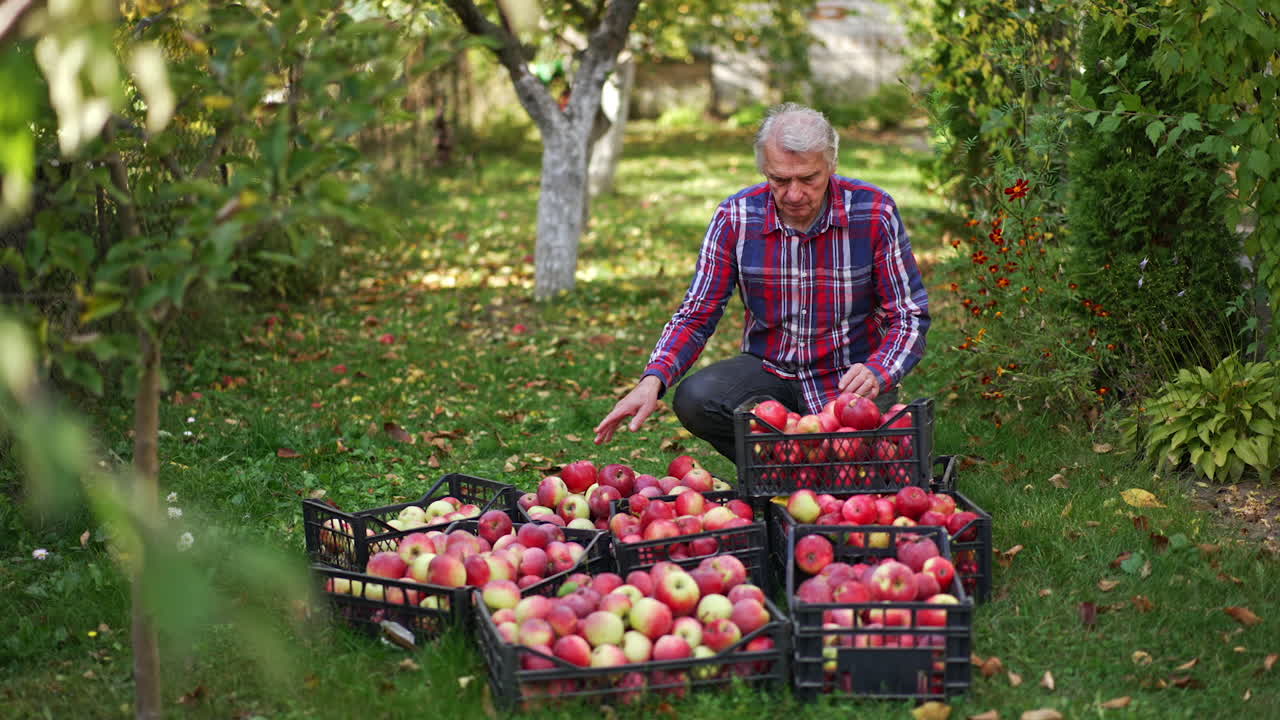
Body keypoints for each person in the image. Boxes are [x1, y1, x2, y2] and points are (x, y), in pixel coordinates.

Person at [593, 103, 930, 462]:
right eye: (780, 180)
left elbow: (910, 315)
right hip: (771, 372)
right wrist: (652, 381)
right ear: (764, 170)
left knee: (857, 465)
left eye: (809, 178)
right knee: (696, 399)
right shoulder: (735, 217)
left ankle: (797, 470)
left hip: (851, 378)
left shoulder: (875, 211)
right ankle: (785, 470)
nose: (794, 194)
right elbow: (697, 313)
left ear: (831, 165)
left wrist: (879, 370)